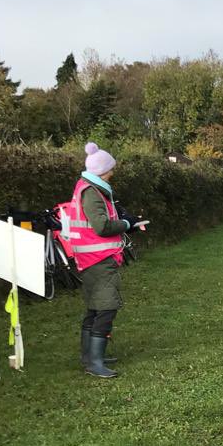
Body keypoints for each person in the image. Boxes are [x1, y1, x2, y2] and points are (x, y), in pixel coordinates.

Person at [68, 142, 148, 378]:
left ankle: (91, 356)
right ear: (102, 170)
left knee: (95, 307)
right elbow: (102, 226)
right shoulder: (92, 193)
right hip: (98, 259)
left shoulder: (89, 188)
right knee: (106, 307)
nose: (113, 173)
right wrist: (127, 225)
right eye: (111, 169)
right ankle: (94, 362)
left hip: (92, 257)